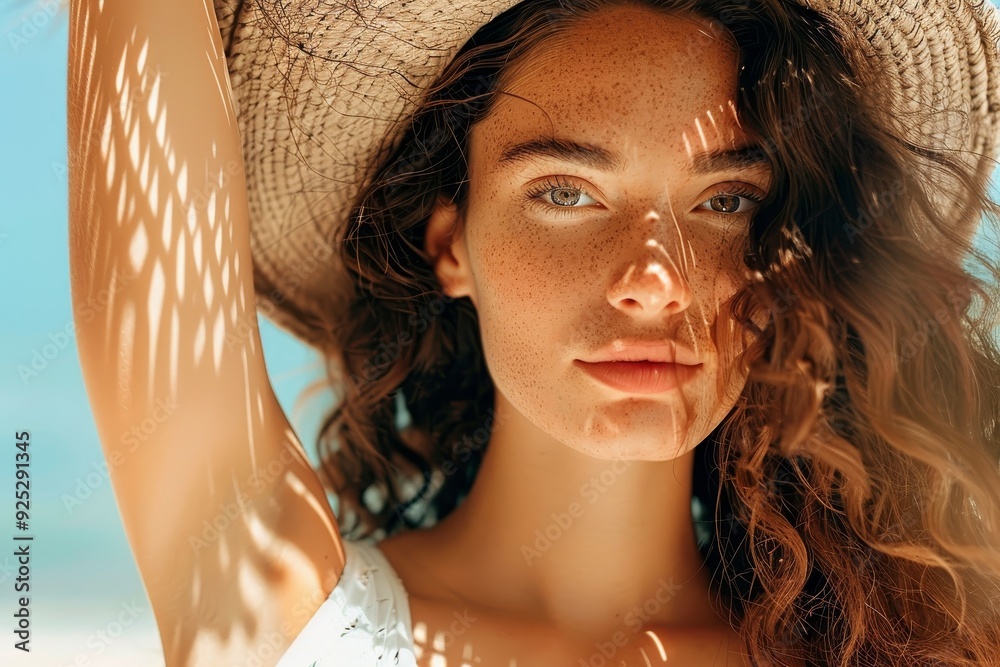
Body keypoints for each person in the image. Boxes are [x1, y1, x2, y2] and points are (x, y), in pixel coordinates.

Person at [66, 0, 1000, 665]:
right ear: (451, 245)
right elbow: (150, 256)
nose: (654, 280)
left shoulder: (919, 642)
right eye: (564, 191)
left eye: (722, 200)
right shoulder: (292, 616)